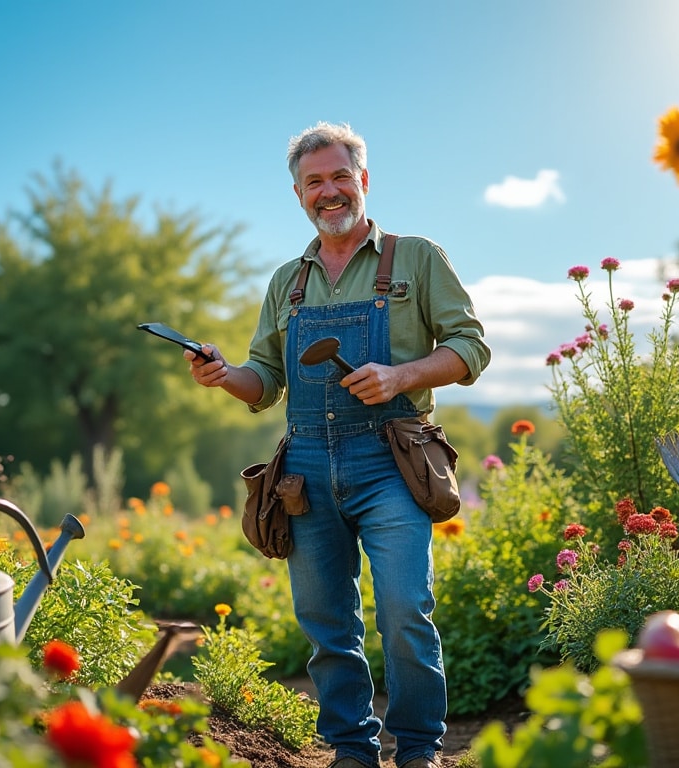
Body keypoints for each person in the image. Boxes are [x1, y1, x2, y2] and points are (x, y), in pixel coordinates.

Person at [185, 121, 491, 768]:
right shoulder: (286, 284)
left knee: (406, 611)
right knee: (327, 626)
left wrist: (402, 375)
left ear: (365, 181)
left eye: (340, 177)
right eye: (314, 182)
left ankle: (417, 750)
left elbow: (471, 347)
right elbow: (264, 381)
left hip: (391, 463)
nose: (329, 192)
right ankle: (352, 750)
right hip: (304, 469)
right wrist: (223, 376)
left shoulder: (415, 258)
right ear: (297, 194)